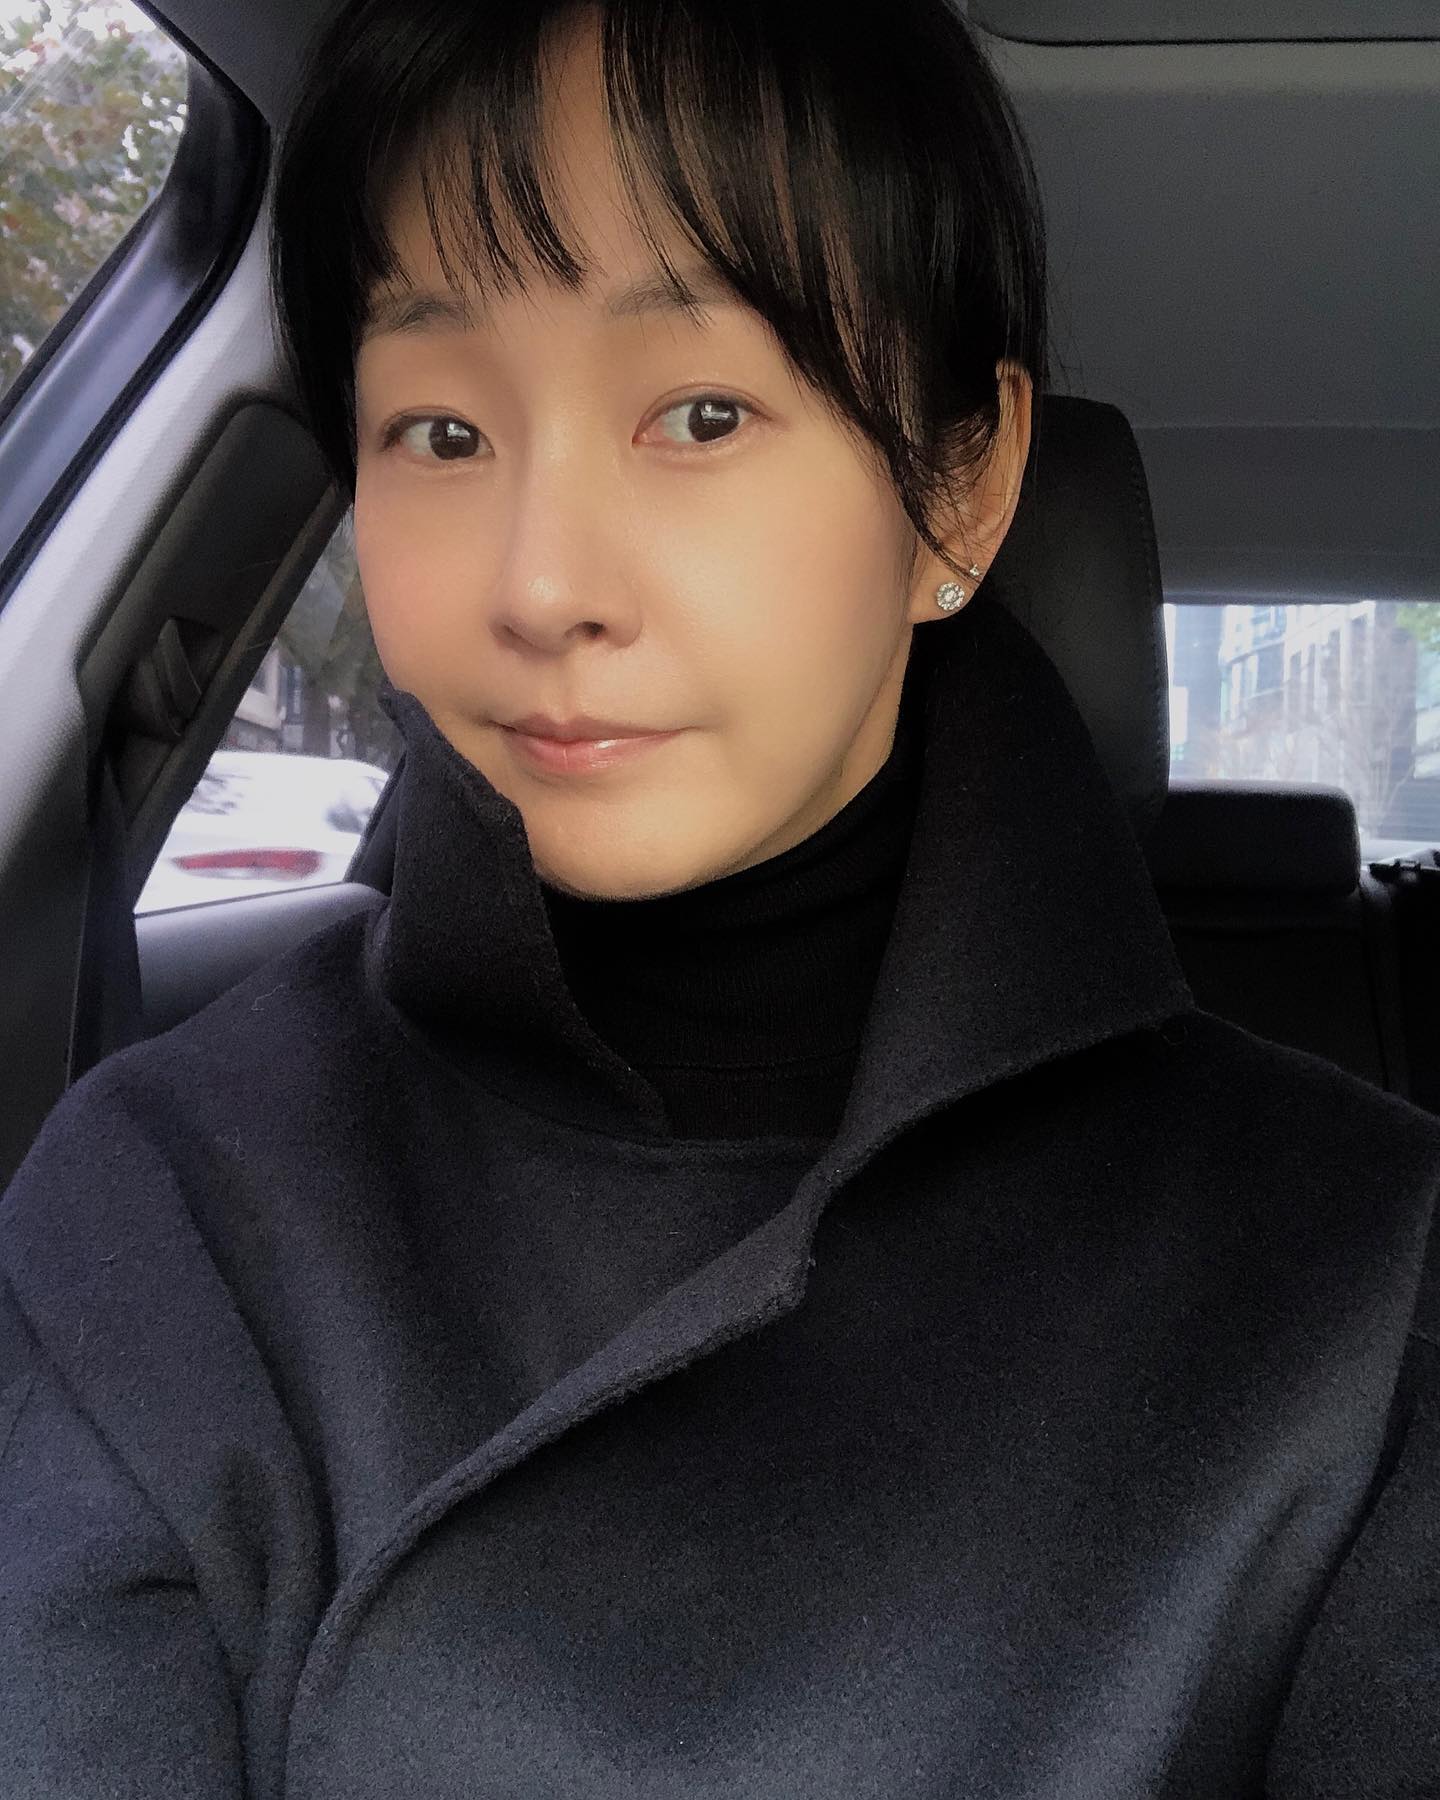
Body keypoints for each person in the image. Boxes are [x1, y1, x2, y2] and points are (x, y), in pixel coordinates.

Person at [1, 0, 1436, 1794]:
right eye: (439, 432)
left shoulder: (1360, 1288)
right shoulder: (153, 1217)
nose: (542, 585)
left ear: (959, 489)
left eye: (698, 412)